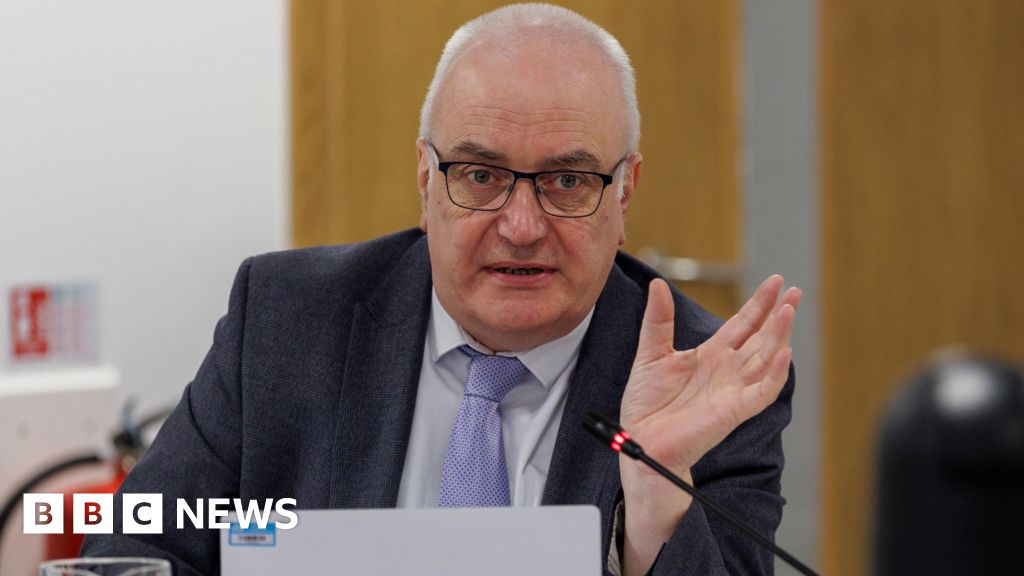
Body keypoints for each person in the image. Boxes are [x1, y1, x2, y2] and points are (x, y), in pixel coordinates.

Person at [83, 4, 801, 575]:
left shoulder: (705, 384)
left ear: (625, 193)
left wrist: (655, 502)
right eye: (481, 176)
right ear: (426, 181)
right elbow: (132, 553)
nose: (522, 226)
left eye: (568, 180)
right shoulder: (285, 321)